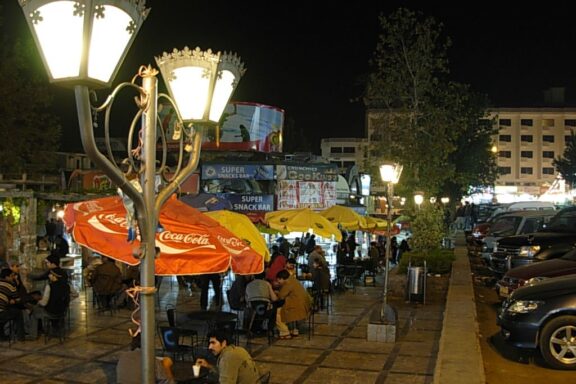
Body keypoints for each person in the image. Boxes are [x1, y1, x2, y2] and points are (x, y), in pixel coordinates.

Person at [26, 268, 70, 340]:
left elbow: (44, 303)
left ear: (55, 276)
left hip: (51, 312)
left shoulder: (49, 286)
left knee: (34, 312)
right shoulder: (67, 286)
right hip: (62, 312)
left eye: (50, 274)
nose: (49, 276)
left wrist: (38, 301)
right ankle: (55, 331)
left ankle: (33, 335)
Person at [275, 269, 312, 339]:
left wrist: (276, 292)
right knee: (287, 307)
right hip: (304, 306)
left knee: (277, 313)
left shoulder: (288, 283)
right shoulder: (293, 280)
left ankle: (285, 332)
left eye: (278, 280)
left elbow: (281, 296)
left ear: (282, 278)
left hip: (298, 307)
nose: (278, 282)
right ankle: (294, 330)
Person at [0, 268, 26, 341]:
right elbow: (18, 299)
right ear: (7, 277)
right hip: (1, 313)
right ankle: (21, 337)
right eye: (12, 276)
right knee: (18, 313)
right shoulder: (10, 284)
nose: (13, 277)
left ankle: (2, 337)